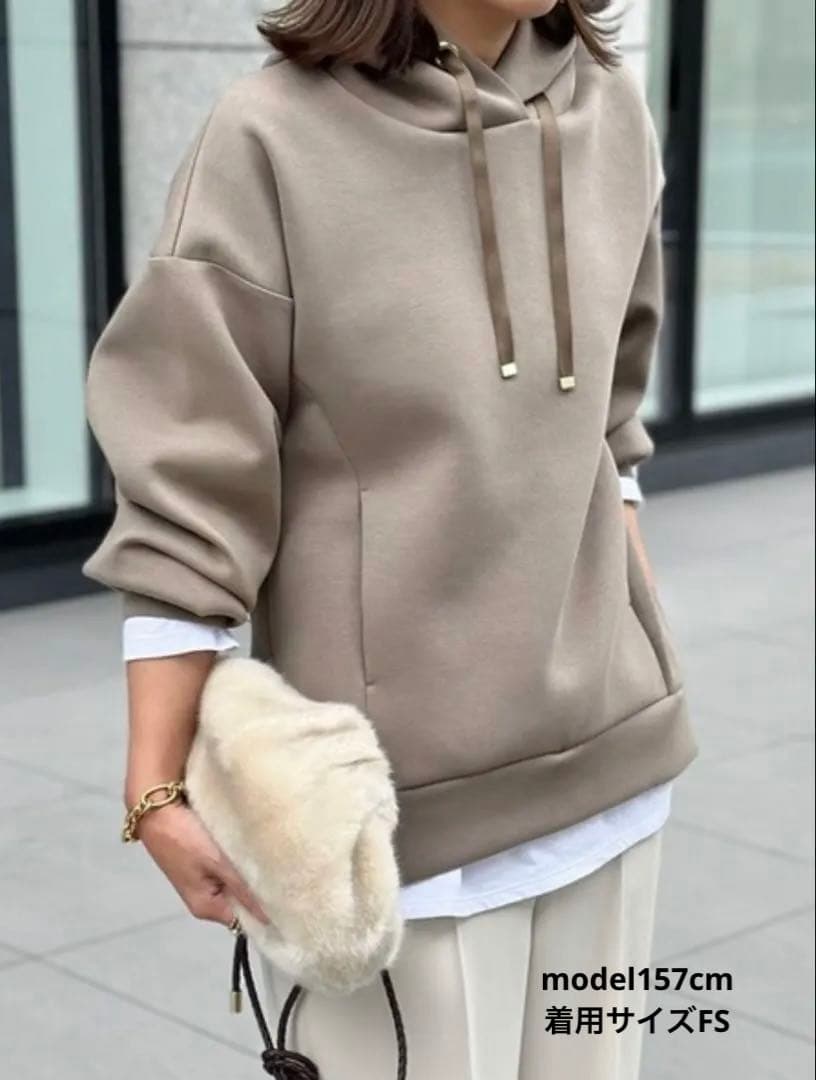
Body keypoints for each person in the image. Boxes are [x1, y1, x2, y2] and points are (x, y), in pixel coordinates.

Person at [82, 1, 698, 1076]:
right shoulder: (270, 138)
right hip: (391, 828)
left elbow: (609, 432)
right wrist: (155, 784)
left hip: (616, 782)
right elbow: (192, 484)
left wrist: (646, 654)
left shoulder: (614, 111)